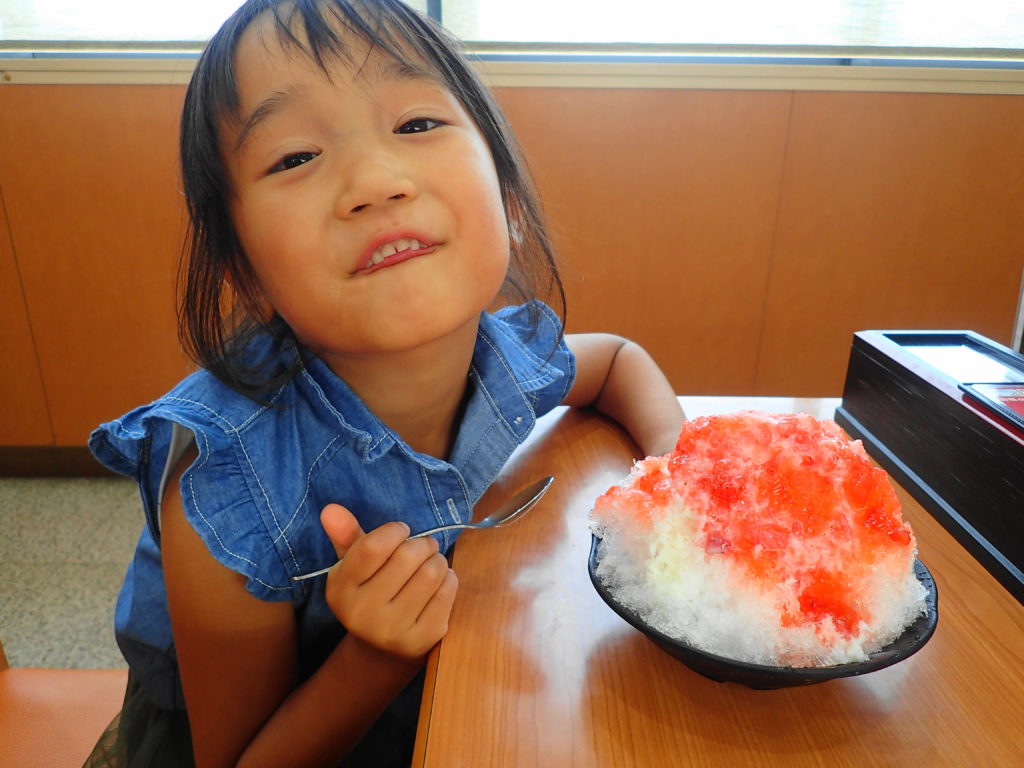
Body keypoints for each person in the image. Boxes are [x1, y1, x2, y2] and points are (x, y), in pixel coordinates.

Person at [85, 1, 685, 766]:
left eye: (416, 125)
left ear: (507, 199)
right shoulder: (225, 485)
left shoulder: (502, 355)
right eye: (295, 157)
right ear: (245, 270)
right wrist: (375, 659)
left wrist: (681, 466)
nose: (375, 181)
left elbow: (616, 361)